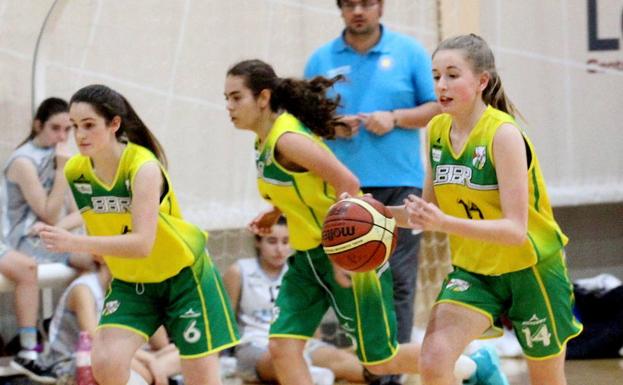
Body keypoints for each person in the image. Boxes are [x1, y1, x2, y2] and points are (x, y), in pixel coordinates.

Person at [224, 59, 504, 385]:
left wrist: (345, 255)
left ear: (263, 98)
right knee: (282, 347)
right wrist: (276, 211)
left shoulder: (287, 139)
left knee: (380, 360)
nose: (228, 106)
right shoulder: (264, 141)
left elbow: (347, 182)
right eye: (226, 98)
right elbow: (304, 190)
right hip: (306, 260)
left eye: (236, 97)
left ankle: (475, 364)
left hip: (345, 253)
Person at [401, 34, 582, 385]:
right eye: (436, 75)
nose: (441, 84)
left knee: (546, 379)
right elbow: (427, 212)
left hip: (530, 269)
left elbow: (515, 230)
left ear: (482, 81)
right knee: (434, 360)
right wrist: (374, 214)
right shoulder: (437, 128)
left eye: (453, 75)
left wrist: (444, 222)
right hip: (476, 271)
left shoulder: (503, 135)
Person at [38, 84, 239, 385]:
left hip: (184, 277)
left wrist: (73, 241)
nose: (80, 135)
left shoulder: (143, 166)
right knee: (105, 361)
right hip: (133, 281)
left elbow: (143, 243)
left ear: (114, 124)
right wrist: (59, 229)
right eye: (74, 127)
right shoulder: (76, 170)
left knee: (201, 379)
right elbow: (97, 209)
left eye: (89, 125)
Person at [304, 4, 440, 383]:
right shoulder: (321, 58)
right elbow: (304, 122)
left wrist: (395, 118)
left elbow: (436, 107)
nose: (358, 11)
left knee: (398, 278)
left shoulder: (408, 52)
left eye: (366, 2)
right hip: (346, 187)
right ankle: (371, 367)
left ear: (380, 6)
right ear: (341, 9)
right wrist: (332, 126)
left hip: (400, 182)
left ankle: (390, 376)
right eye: (350, 4)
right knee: (355, 278)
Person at [222, 215, 365, 384]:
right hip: (255, 345)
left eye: (285, 241)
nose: (280, 249)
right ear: (258, 242)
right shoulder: (239, 271)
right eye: (272, 241)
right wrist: (222, 359)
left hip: (299, 342)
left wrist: (318, 346)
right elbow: (225, 321)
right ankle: (313, 375)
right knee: (280, 359)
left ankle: (392, 375)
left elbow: (311, 321)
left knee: (341, 359)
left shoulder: (299, 270)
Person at [36, 262, 181, 385]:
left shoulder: (133, 289)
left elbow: (161, 344)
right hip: (74, 361)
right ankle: (153, 374)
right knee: (126, 366)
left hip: (121, 356)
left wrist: (147, 304)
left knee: (184, 353)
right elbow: (98, 343)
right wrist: (149, 360)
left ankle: (153, 373)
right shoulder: (84, 289)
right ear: (103, 257)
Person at [2, 97, 87, 266]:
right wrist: (62, 169)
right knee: (94, 259)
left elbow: (80, 212)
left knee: (103, 255)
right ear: (38, 125)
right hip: (22, 240)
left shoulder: (59, 157)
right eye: (55, 128)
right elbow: (49, 215)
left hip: (49, 235)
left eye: (67, 129)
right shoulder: (23, 161)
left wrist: (59, 229)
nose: (62, 137)